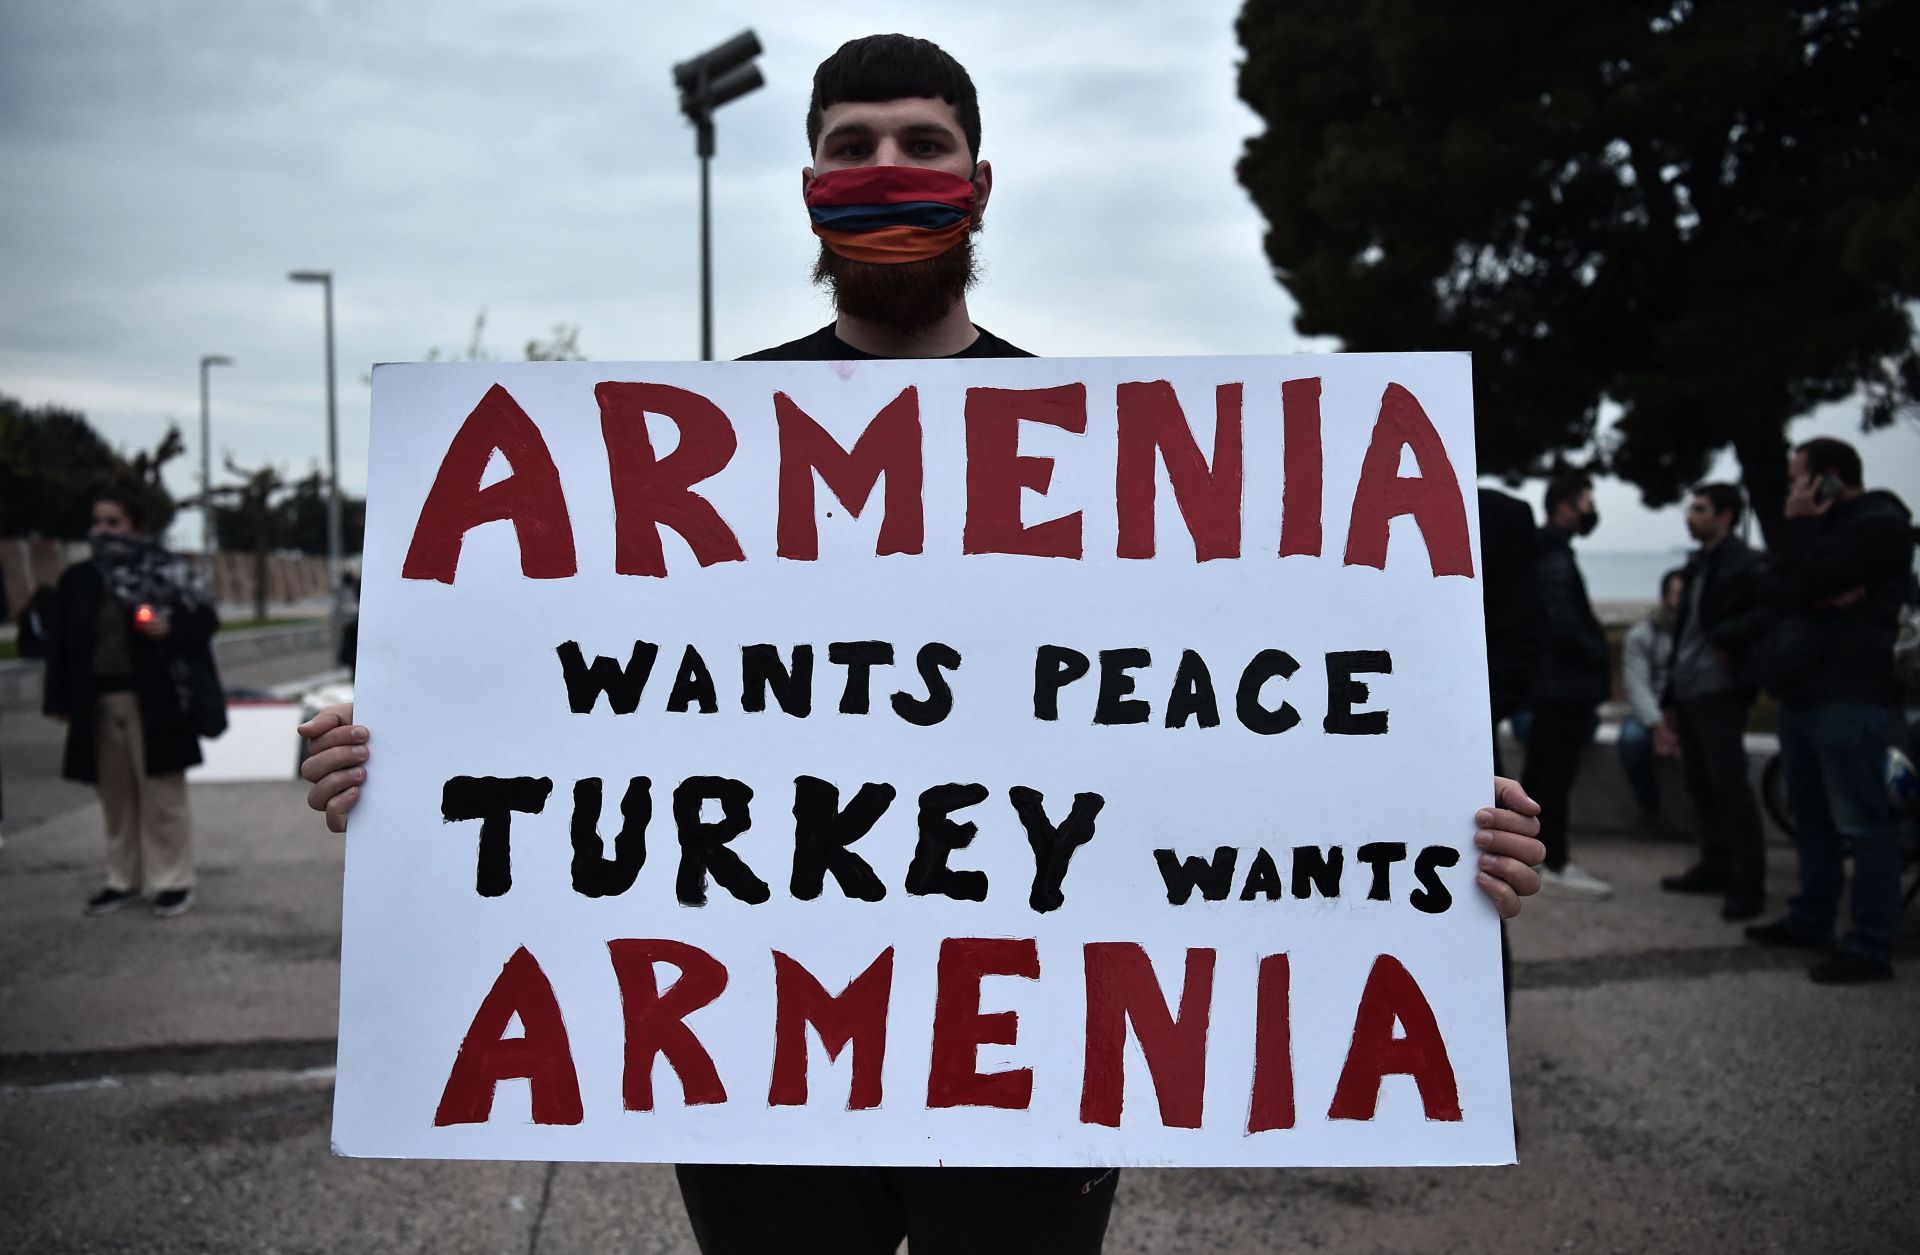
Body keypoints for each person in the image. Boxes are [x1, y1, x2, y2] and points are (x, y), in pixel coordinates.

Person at [298, 34, 1548, 1253]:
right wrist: (386, 761)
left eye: (923, 143)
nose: (888, 169)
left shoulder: (1099, 459)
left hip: (1032, 1073)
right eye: (854, 146)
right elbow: (549, 689)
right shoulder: (706, 447)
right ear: (809, 191)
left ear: (978, 185)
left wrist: (1433, 807)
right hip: (756, 1072)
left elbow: (1223, 715)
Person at [1747, 438, 1913, 983]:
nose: (1793, 489)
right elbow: (1776, 589)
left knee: (1863, 821)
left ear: (1829, 477)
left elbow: (1808, 579)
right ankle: (1811, 917)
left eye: (1799, 477)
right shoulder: (1820, 529)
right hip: (1802, 691)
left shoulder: (1881, 522)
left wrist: (1801, 547)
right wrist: (1812, 583)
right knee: (1811, 816)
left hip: (1850, 693)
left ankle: (1871, 944)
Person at [43, 486, 219, 918]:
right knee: (115, 799)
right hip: (97, 702)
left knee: (162, 795)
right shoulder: (79, 579)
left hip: (157, 702)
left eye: (113, 522)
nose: (102, 531)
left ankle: (171, 880)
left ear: (137, 525)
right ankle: (121, 878)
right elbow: (61, 644)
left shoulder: (165, 571)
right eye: (97, 521)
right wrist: (59, 698)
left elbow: (203, 622)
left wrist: (169, 627)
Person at [1657, 484, 1770, 919]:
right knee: (1701, 786)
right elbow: (1684, 633)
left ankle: (1748, 883)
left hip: (1719, 691)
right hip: (1690, 689)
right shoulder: (1700, 564)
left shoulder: (1745, 563)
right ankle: (1715, 864)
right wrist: (1670, 695)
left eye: (1700, 509)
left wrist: (1727, 638)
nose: (1690, 516)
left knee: (1730, 787)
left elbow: (1766, 615)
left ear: (1725, 515)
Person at [1523, 472, 1612, 899]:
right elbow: (1563, 623)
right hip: (1563, 688)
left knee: (1541, 775)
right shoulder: (1554, 557)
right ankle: (1554, 859)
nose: (1590, 511)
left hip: (1550, 687)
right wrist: (1596, 655)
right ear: (1564, 506)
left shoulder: (1544, 551)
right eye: (1586, 502)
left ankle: (1535, 854)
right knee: (1554, 777)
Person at [1620, 568, 1684, 823]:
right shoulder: (1642, 634)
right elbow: (1637, 684)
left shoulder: (1698, 634)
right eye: (1678, 594)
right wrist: (1658, 724)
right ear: (1664, 597)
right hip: (1648, 713)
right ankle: (1649, 808)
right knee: (1632, 742)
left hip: (1686, 712)